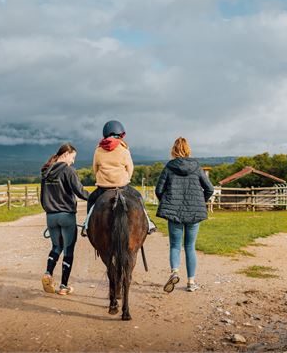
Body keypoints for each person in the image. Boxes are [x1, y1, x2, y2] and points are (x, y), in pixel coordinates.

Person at [155, 137, 214, 293]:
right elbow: (209, 189)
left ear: (174, 150)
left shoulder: (169, 167)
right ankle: (191, 282)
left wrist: (168, 203)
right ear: (188, 149)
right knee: (190, 246)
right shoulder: (196, 167)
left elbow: (158, 190)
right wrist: (200, 201)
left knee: (175, 245)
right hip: (194, 213)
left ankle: (174, 272)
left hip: (174, 213)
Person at [81, 120, 156, 236]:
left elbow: (95, 168)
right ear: (120, 134)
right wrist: (126, 179)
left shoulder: (98, 150)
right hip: (122, 186)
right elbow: (130, 168)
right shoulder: (124, 149)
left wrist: (101, 178)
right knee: (139, 197)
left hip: (103, 187)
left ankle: (86, 225)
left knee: (91, 200)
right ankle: (149, 222)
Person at [40, 143, 89, 295]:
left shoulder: (46, 171)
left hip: (51, 217)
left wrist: (49, 209)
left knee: (56, 247)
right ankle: (63, 286)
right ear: (66, 154)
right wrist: (95, 197)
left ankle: (48, 273)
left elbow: (42, 197)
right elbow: (80, 192)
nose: (73, 161)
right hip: (66, 216)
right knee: (68, 250)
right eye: (73, 157)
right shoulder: (68, 171)